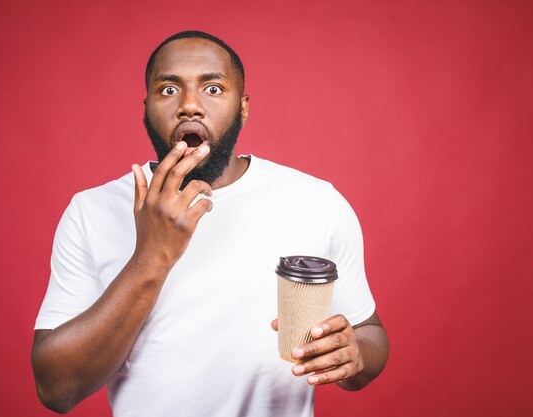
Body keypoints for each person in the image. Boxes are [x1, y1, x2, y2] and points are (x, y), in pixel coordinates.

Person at [31, 30, 389, 417]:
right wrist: (152, 256)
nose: (189, 105)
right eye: (168, 90)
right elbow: (56, 388)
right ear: (146, 107)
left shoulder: (318, 202)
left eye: (213, 89)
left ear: (244, 107)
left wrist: (356, 354)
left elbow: (370, 332)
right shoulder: (91, 211)